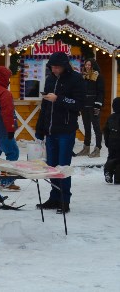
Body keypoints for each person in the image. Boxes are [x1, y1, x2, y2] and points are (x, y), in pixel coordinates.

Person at [35, 51, 85, 214]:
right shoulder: (49, 80)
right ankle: (54, 197)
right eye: (52, 67)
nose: (55, 70)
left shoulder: (76, 79)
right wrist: (40, 129)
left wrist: (59, 98)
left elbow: (79, 104)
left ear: (64, 66)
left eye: (57, 67)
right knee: (52, 167)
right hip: (50, 131)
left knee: (63, 167)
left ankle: (65, 200)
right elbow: (45, 107)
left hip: (66, 130)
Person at [75, 58, 104, 158]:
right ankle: (86, 148)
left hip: (94, 106)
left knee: (96, 127)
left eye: (89, 65)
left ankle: (97, 149)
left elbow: (100, 92)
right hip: (84, 106)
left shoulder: (98, 76)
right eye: (86, 65)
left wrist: (97, 106)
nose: (87, 66)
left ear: (93, 66)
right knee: (87, 127)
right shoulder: (83, 77)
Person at [103, 97, 120, 184]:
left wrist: (107, 141)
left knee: (111, 158)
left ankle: (108, 172)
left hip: (111, 142)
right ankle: (118, 178)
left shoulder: (110, 117)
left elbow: (106, 130)